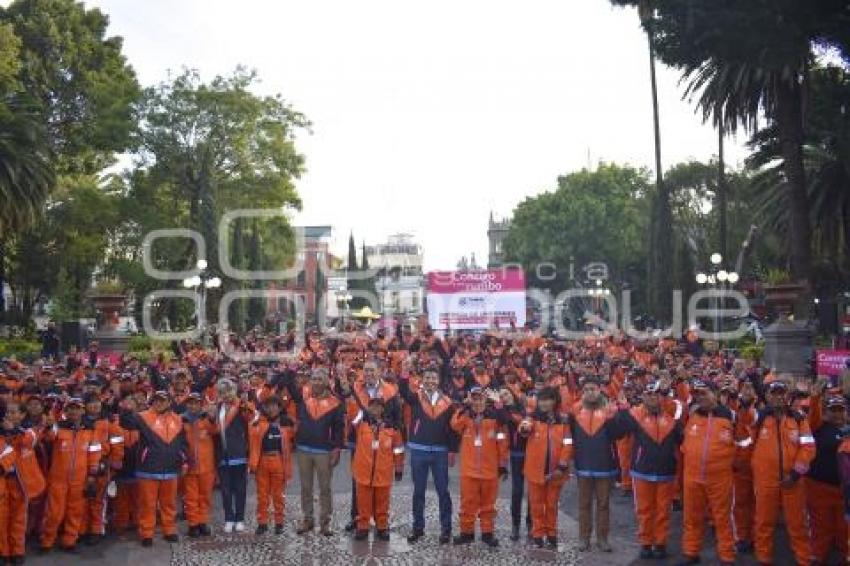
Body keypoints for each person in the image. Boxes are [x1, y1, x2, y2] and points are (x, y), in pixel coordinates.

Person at [748, 380, 815, 566]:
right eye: (774, 393)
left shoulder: (799, 418)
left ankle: (804, 560)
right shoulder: (759, 418)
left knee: (798, 525)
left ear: (787, 396)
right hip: (765, 481)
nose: (778, 396)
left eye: (781, 392)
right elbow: (745, 442)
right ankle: (763, 559)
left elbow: (808, 448)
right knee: (763, 522)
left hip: (793, 481)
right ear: (768, 396)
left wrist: (795, 474)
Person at [615, 381, 682, 560]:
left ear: (661, 397)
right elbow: (619, 431)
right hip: (642, 471)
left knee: (663, 511)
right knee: (644, 510)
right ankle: (646, 543)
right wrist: (622, 409)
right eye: (649, 394)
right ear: (644, 397)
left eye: (656, 394)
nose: (653, 397)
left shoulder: (672, 419)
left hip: (666, 472)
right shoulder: (635, 416)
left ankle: (660, 544)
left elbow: (683, 442)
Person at [678, 380, 737, 566]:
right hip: (693, 476)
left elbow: (744, 441)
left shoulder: (730, 415)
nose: (701, 397)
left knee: (722, 518)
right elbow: (685, 442)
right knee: (692, 517)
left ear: (716, 393)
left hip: (720, 478)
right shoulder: (693, 415)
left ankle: (727, 556)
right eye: (698, 394)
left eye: (704, 393)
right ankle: (691, 552)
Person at [339, 360, 401, 533]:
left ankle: (380, 521)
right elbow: (347, 408)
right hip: (359, 440)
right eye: (366, 371)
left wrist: (385, 427)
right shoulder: (355, 387)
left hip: (383, 441)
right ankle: (358, 518)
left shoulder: (390, 390)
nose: (368, 374)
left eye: (372, 370)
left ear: (379, 371)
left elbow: (398, 419)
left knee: (381, 484)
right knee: (359, 482)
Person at [282, 366, 345, 536]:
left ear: (326, 382)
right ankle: (307, 519)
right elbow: (289, 385)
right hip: (303, 449)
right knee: (305, 487)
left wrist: (337, 449)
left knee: (325, 488)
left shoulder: (335, 403)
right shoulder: (304, 399)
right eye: (314, 379)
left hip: (324, 451)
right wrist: (289, 370)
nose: (316, 382)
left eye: (320, 379)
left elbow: (339, 428)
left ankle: (325, 522)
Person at [398, 366, 457, 544]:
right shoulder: (416, 397)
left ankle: (446, 529)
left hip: (440, 452)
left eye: (433, 378)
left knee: (443, 492)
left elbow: (453, 429)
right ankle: (418, 528)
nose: (430, 381)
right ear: (423, 380)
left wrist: (453, 450)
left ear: (438, 381)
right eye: (427, 377)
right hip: (419, 450)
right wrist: (404, 373)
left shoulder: (448, 402)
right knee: (418, 491)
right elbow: (403, 390)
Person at [120, 390, 187, 547]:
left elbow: (182, 443)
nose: (159, 403)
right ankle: (147, 533)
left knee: (169, 503)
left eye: (162, 400)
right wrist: (127, 409)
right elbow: (126, 423)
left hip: (170, 468)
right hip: (148, 468)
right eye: (156, 400)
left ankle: (169, 530)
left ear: (169, 402)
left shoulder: (178, 420)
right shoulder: (142, 416)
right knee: (147, 504)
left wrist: (183, 460)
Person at [39, 397, 101, 553]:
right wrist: (49, 424)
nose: (74, 411)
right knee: (54, 513)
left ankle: (69, 540)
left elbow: (94, 453)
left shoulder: (90, 430)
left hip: (79, 480)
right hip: (58, 479)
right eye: (70, 408)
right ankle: (47, 541)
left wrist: (92, 475)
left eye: (77, 408)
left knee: (75, 511)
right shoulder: (58, 428)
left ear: (82, 410)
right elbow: (48, 436)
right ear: (66, 411)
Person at [450, 386, 509, 547]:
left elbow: (502, 441)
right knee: (467, 504)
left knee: (488, 505)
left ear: (485, 399)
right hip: (469, 471)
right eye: (474, 398)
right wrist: (464, 408)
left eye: (480, 398)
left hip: (490, 471)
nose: (477, 402)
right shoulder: (466, 416)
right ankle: (466, 533)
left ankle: (487, 533)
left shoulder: (495, 418)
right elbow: (454, 425)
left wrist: (503, 464)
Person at [571, 375, 624, 552]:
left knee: (603, 504)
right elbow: (571, 436)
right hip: (583, 464)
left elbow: (618, 435)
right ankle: (583, 538)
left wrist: (612, 418)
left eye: (592, 389)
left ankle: (602, 538)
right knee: (584, 504)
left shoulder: (610, 409)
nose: (589, 393)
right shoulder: (575, 410)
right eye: (585, 390)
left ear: (600, 390)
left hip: (605, 465)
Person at [520, 386, 573, 549]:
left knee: (551, 505)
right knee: (536, 504)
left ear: (555, 401)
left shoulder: (564, 420)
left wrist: (562, 466)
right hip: (535, 470)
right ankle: (537, 534)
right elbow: (524, 427)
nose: (544, 403)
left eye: (548, 399)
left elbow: (568, 443)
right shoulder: (532, 417)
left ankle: (551, 534)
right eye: (541, 400)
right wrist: (524, 427)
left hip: (556, 472)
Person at [350, 396, 404, 541]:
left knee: (382, 503)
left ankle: (382, 527)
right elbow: (351, 417)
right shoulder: (361, 424)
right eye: (372, 406)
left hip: (383, 472)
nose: (375, 409)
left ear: (383, 409)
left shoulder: (392, 428)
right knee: (363, 502)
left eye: (378, 406)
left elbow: (398, 449)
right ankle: (363, 527)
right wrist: (357, 406)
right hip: (363, 471)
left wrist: (399, 468)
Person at [1, 401, 46, 564]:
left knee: (19, 520)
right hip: (4, 484)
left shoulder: (29, 432)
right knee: (2, 520)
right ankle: (5, 552)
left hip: (21, 485)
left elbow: (29, 441)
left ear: (22, 415)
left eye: (14, 413)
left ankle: (18, 551)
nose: (10, 416)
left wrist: (12, 430)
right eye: (8, 414)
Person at [248, 395, 295, 535]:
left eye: (275, 405)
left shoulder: (286, 423)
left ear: (279, 407)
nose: (272, 408)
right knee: (262, 495)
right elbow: (251, 437)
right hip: (262, 460)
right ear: (265, 408)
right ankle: (262, 522)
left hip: (279, 461)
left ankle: (279, 522)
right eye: (268, 405)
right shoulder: (258, 423)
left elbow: (295, 434)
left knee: (278, 495)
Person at [214, 378, 255, 533]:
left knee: (240, 489)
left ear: (233, 391)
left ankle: (240, 518)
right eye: (222, 392)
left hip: (239, 454)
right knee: (225, 490)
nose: (225, 395)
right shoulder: (217, 408)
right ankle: (229, 518)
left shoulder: (242, 406)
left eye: (228, 391)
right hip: (223, 454)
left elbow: (251, 421)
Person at [182, 392, 216, 538]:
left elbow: (217, 431)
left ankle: (203, 522)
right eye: (190, 403)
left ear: (201, 404)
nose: (193, 405)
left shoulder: (207, 420)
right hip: (189, 467)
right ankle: (193, 524)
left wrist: (213, 418)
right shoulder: (181, 421)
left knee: (205, 496)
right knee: (191, 497)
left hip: (207, 466)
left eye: (195, 402)